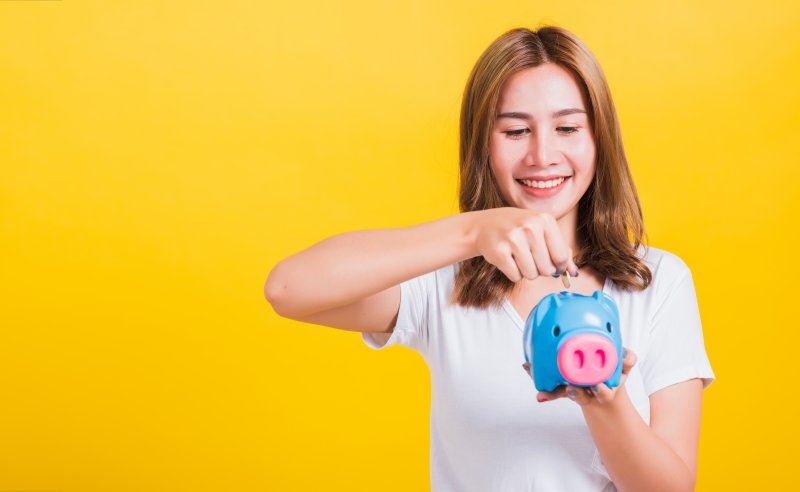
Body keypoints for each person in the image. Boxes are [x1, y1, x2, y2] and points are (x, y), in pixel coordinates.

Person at [264, 25, 715, 492]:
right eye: (516, 130)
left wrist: (603, 400)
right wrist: (472, 232)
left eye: (567, 128)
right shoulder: (443, 282)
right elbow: (288, 289)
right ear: (483, 143)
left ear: (598, 139)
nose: (542, 155)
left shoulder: (658, 281)